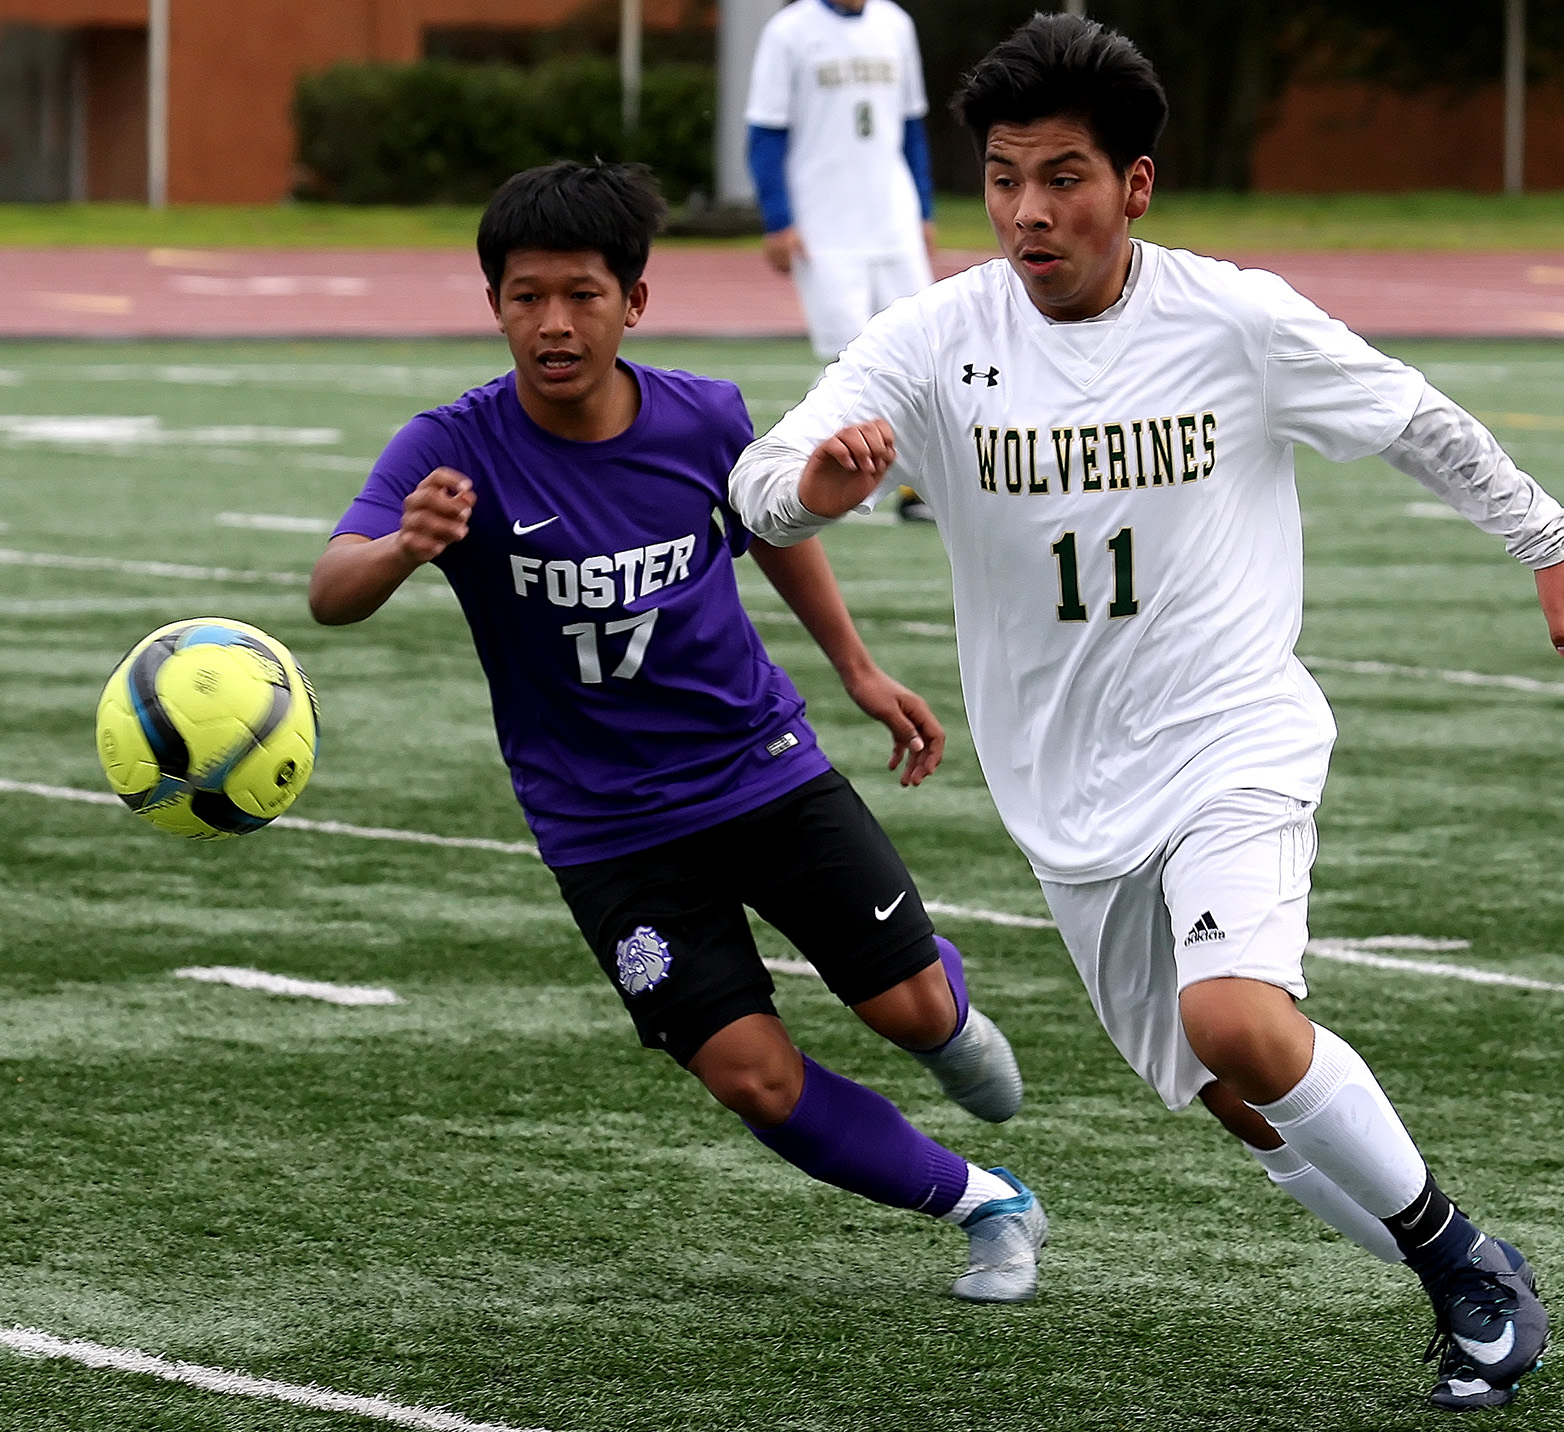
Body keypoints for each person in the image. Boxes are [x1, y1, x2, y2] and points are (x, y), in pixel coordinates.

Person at [730, 15, 1564, 1411]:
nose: (1029, 211)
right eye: (1006, 176)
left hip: (1231, 732)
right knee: (1232, 1094)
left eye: (1064, 176)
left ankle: (1466, 1272)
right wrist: (817, 492)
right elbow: (764, 480)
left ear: (1134, 186)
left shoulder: (1232, 318)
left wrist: (1547, 542)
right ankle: (1464, 1266)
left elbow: (1412, 417)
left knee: (1239, 1020)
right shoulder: (932, 336)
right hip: (1064, 794)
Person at [307, 159, 1046, 1303]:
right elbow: (328, 591)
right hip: (603, 827)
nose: (554, 323)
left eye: (582, 295)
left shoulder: (705, 413)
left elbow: (774, 528)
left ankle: (942, 1013)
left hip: (760, 769)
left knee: (904, 1008)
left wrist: (854, 666)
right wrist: (403, 549)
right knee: (750, 1077)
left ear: (634, 302)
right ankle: (986, 1202)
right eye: (525, 297)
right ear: (493, 304)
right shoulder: (447, 448)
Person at [745, 0, 938, 524]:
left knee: (925, 353)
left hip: (893, 222)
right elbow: (765, 132)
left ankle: (919, 490)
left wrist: (922, 208)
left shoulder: (896, 23)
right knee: (853, 361)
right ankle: (808, 481)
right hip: (824, 226)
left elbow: (912, 126)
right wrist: (778, 219)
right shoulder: (789, 32)